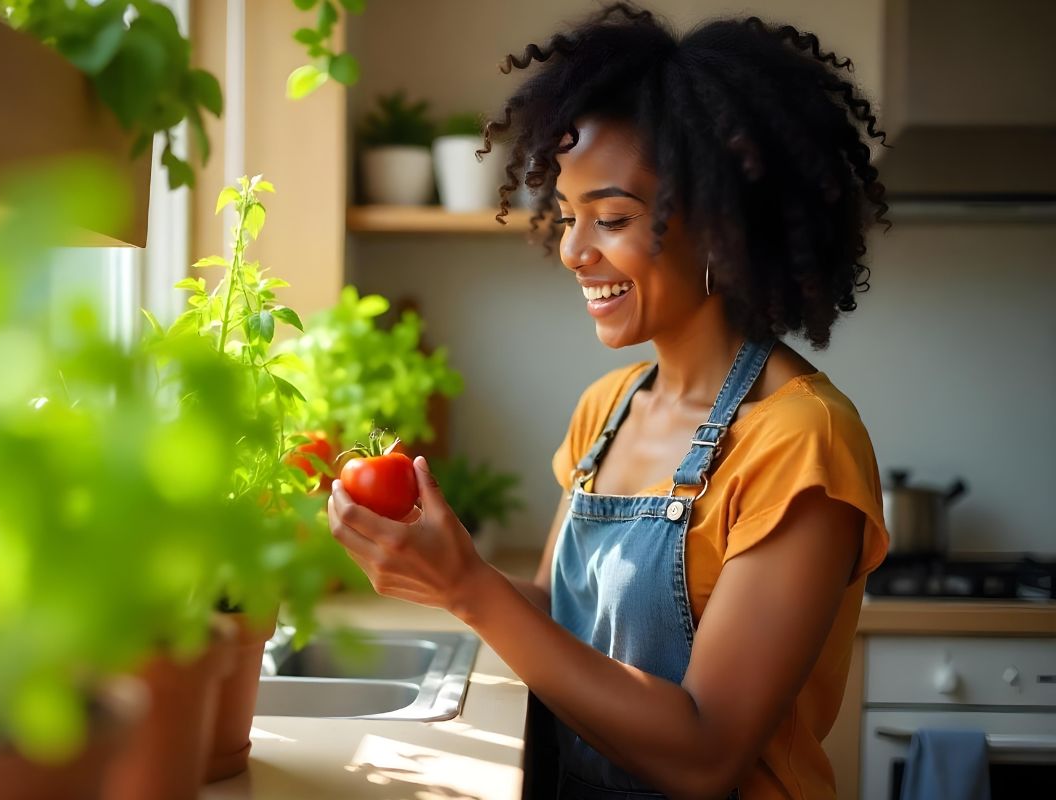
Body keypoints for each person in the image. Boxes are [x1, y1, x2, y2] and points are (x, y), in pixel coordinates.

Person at [327, 4, 891, 798]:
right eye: (566, 215)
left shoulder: (802, 441)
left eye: (613, 217)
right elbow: (562, 622)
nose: (573, 249)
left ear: (721, 224)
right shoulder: (611, 407)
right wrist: (438, 564)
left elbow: (705, 754)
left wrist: (469, 588)